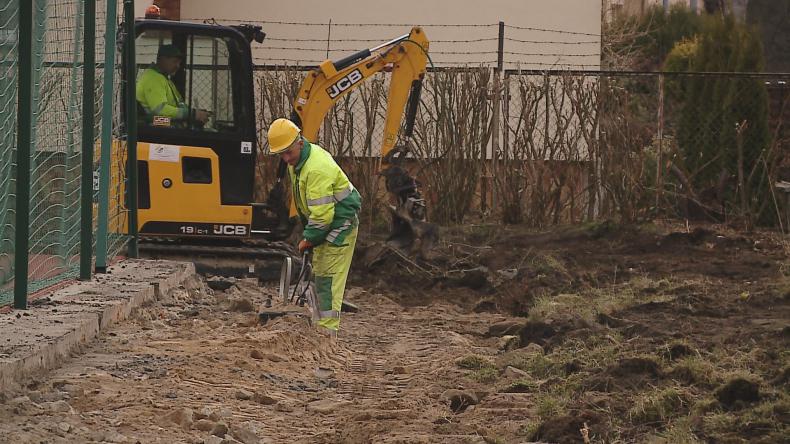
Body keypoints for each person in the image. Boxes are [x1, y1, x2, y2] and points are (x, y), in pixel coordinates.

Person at [267, 118, 361, 338]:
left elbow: (322, 215)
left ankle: (327, 332)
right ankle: (320, 324)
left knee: (328, 276)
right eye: (281, 154)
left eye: (288, 152)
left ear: (300, 141)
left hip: (340, 223)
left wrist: (308, 238)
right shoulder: (298, 163)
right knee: (319, 271)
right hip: (326, 221)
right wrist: (309, 235)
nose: (286, 159)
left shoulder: (317, 168)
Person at [136, 44, 208, 126]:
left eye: (179, 63)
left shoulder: (164, 78)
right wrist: (191, 114)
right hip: (155, 129)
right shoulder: (153, 78)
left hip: (162, 126)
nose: (178, 66)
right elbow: (160, 111)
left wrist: (195, 113)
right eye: (175, 62)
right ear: (163, 59)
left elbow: (178, 104)